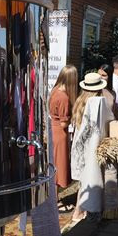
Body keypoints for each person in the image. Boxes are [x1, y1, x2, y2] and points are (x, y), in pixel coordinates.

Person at [70, 73, 113, 223]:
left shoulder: (80, 101)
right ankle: (82, 210)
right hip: (91, 145)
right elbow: (108, 120)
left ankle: (78, 211)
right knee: (90, 177)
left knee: (83, 179)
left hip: (81, 144)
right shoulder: (97, 103)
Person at [49, 65, 78, 212]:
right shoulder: (64, 97)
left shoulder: (55, 91)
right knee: (58, 168)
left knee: (54, 166)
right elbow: (63, 122)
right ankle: (54, 202)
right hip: (60, 133)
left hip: (53, 131)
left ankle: (53, 200)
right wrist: (74, 115)